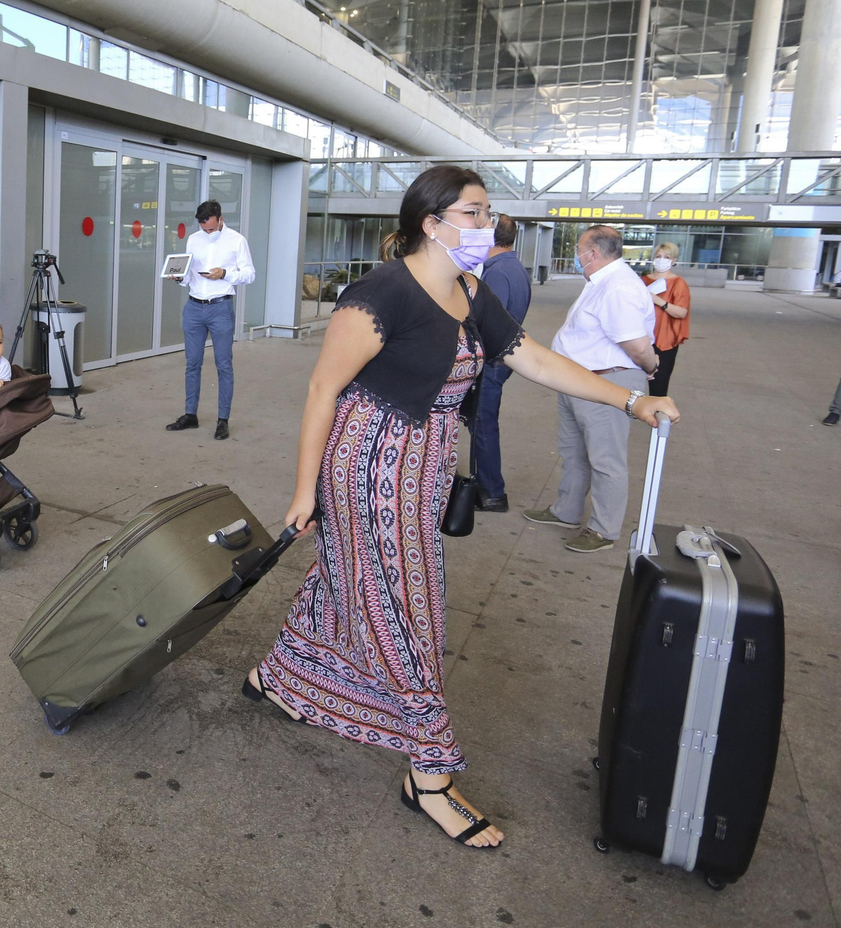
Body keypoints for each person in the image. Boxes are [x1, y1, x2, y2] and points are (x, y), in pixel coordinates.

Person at [241, 167, 678, 850]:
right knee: (408, 611)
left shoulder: (470, 292)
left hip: (424, 468)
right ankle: (431, 776)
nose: (486, 224)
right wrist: (306, 492)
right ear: (432, 222)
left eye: (486, 211)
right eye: (473, 213)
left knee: (348, 583)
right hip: (370, 466)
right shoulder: (381, 293)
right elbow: (323, 390)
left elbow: (530, 356)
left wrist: (629, 399)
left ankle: (279, 678)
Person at [524, 225, 660, 553]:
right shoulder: (600, 281)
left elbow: (638, 346)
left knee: (605, 459)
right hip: (577, 380)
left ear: (593, 253)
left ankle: (604, 529)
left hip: (606, 382)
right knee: (574, 452)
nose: (575, 255)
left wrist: (652, 367)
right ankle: (566, 511)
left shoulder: (619, 287)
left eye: (578, 248)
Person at [164, 199, 255, 440]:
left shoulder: (236, 240)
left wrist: (225, 273)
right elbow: (188, 274)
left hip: (220, 307)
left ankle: (223, 419)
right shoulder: (194, 239)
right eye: (204, 228)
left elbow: (249, 274)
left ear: (220, 219)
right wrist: (178, 278)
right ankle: (190, 415)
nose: (207, 232)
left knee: (224, 365)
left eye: (211, 229)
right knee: (192, 364)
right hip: (194, 307)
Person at [470, 213, 531, 512]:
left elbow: (487, 321)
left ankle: (492, 492)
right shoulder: (514, 267)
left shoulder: (497, 273)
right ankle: (488, 485)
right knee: (483, 423)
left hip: (492, 361)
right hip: (503, 359)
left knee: (483, 425)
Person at [642, 242, 690, 396]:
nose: (661, 260)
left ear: (674, 260)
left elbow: (681, 312)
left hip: (665, 340)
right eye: (658, 256)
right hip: (641, 337)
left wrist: (657, 300)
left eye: (666, 257)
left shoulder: (678, 283)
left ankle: (657, 416)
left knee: (659, 385)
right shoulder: (643, 281)